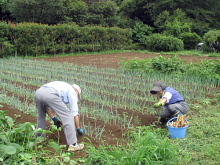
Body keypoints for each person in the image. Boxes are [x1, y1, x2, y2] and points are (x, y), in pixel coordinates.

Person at [35, 81, 84, 151]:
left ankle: (39, 138)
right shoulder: (72, 91)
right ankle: (73, 145)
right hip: (50, 93)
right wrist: (78, 128)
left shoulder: (63, 87)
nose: (76, 96)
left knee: (41, 115)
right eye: (77, 95)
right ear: (76, 90)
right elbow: (74, 114)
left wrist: (54, 118)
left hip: (38, 92)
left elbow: (45, 107)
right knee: (68, 116)